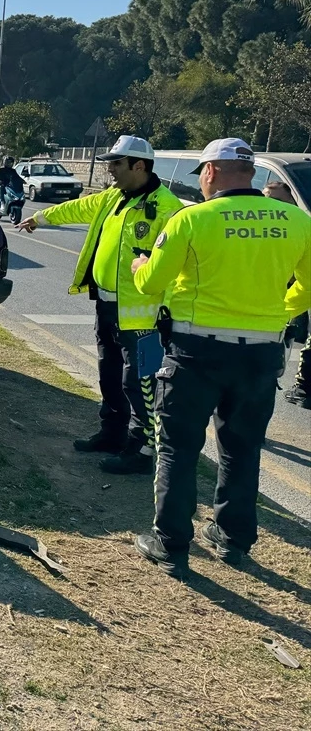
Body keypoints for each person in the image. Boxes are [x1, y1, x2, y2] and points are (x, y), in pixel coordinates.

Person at [129, 139, 311, 577]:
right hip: (263, 351)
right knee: (243, 448)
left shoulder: (192, 218)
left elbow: (151, 285)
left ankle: (170, 543)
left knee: (177, 447)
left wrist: (139, 267)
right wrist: (273, 313)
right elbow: (307, 289)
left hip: (197, 350)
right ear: (251, 173)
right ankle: (233, 540)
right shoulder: (299, 221)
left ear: (209, 172)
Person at [17, 136, 184, 474]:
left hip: (146, 318)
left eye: (116, 164)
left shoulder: (168, 208)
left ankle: (142, 451)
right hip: (107, 306)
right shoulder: (113, 198)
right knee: (110, 375)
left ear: (139, 165)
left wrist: (167, 312)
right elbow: (76, 208)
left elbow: (179, 267)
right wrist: (41, 218)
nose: (109, 170)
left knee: (142, 384)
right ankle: (112, 434)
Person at [262, 180, 311, 407]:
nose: (272, 206)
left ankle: (303, 388)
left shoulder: (300, 227)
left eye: (279, 201)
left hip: (277, 314)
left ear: (292, 202)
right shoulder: (256, 232)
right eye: (267, 200)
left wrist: (284, 309)